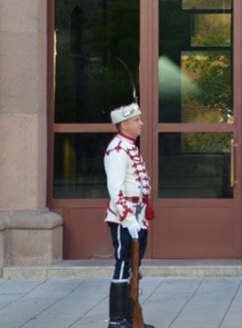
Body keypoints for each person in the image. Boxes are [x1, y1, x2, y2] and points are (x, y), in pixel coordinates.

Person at [104, 102, 155, 328]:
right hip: (125, 218)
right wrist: (128, 220)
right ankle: (117, 321)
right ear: (124, 124)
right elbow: (116, 190)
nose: (141, 123)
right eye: (136, 120)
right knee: (123, 264)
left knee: (134, 266)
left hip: (138, 216)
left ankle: (129, 317)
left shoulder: (129, 146)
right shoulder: (117, 150)